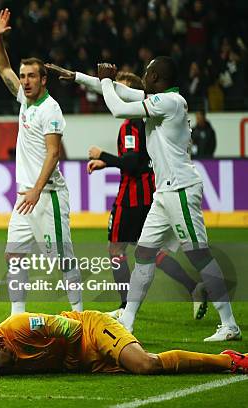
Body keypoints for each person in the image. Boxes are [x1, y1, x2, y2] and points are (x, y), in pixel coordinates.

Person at [65, 56, 240, 341]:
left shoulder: (169, 102)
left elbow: (119, 107)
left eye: (146, 72)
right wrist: (77, 77)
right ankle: (129, 322)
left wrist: (108, 80)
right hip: (164, 192)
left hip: (181, 190)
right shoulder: (163, 99)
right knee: (144, 254)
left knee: (199, 255)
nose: (142, 75)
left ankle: (229, 325)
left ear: (157, 77)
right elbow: (121, 92)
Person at [47, 67, 208, 320]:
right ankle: (192, 287)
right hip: (152, 192)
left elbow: (133, 163)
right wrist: (108, 163)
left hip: (133, 194)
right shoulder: (147, 119)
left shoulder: (132, 123)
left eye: (117, 86)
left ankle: (125, 307)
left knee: (116, 250)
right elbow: (141, 159)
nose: (111, 90)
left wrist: (105, 156)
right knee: (151, 252)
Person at [0, 8, 82, 318]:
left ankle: (80, 315)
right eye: (24, 76)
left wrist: (35, 191)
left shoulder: (50, 110)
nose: (25, 81)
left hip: (47, 197)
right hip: (25, 196)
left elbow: (53, 154)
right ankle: (17, 318)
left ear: (44, 79)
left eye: (32, 76)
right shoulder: (25, 100)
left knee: (63, 260)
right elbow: (3, 67)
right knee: (14, 255)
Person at [0, 300, 248, 377]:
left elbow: (71, 330)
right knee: (144, 368)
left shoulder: (21, 325)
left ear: (4, 346)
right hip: (83, 363)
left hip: (92, 330)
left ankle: (228, 360)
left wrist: (62, 359)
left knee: (146, 365)